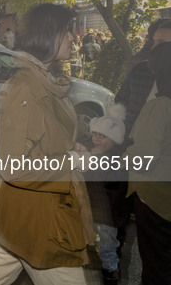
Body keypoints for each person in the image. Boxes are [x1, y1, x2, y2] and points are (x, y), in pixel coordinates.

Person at [0, 3, 93, 285]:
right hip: (39, 215)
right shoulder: (27, 87)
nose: (73, 37)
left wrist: (71, 149)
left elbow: (44, 138)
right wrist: (70, 159)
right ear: (47, 36)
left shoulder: (43, 80)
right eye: (66, 31)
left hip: (32, 207)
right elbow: (15, 167)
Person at [126, 41, 171, 285]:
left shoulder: (159, 107)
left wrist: (122, 155)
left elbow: (143, 159)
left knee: (156, 264)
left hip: (156, 198)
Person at [85, 104, 128, 285]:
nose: (96, 139)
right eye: (95, 134)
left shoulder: (117, 160)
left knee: (107, 249)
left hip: (107, 216)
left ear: (115, 140)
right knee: (101, 246)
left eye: (103, 136)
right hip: (99, 213)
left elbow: (106, 180)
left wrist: (96, 160)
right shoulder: (102, 154)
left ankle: (111, 277)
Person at [116, 19, 171, 134]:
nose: (154, 47)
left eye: (161, 42)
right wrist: (111, 135)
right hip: (130, 142)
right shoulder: (140, 69)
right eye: (154, 42)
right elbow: (120, 102)